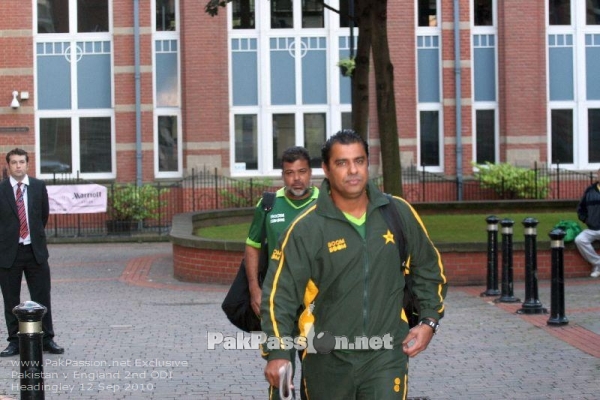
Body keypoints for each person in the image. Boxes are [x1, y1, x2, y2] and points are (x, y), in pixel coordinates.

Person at [260, 130, 447, 399]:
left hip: (386, 355)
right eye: (342, 163)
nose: (352, 170)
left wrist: (429, 321)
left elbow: (429, 269)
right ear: (325, 168)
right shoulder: (305, 229)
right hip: (325, 358)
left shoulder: (397, 213)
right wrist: (278, 353)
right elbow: (280, 297)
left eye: (359, 161)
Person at [245, 146, 319, 399]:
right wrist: (255, 289)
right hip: (278, 303)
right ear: (282, 175)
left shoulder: (326, 203)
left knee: (318, 372)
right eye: (289, 173)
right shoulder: (268, 205)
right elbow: (253, 246)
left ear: (311, 172)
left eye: (301, 171)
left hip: (317, 305)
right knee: (281, 372)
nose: (296, 178)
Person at [0, 148, 64, 357]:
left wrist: (32, 237)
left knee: (42, 296)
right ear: (8, 166)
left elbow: (42, 216)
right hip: (9, 253)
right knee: (11, 299)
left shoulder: (38, 187)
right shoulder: (1, 190)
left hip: (35, 251)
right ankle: (14, 341)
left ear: (27, 165)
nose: (18, 166)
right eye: (14, 162)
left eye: (21, 162)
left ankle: (47, 339)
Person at [575, 168, 600, 278]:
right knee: (580, 240)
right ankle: (597, 263)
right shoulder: (590, 190)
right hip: (592, 228)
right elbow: (581, 208)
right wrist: (586, 220)